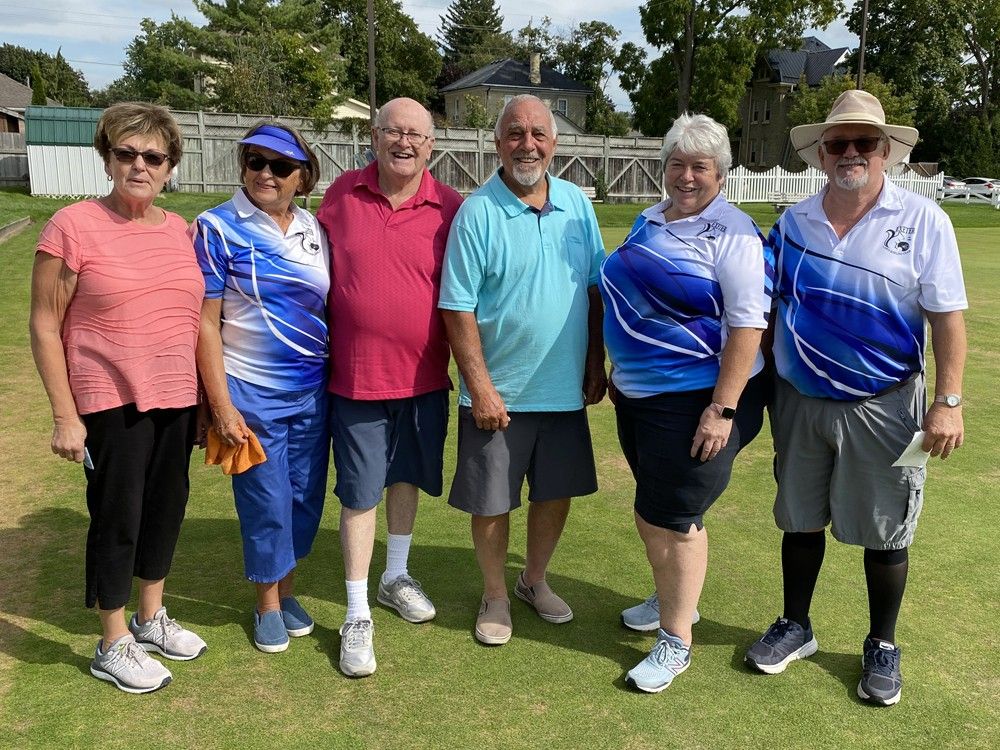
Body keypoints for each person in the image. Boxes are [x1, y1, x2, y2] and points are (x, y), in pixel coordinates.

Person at [743, 90, 967, 707]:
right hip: (800, 400)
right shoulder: (793, 222)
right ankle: (796, 625)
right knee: (799, 515)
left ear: (886, 152)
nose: (849, 153)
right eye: (837, 143)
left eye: (862, 142)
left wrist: (947, 402)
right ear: (820, 154)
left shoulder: (925, 221)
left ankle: (882, 643)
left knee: (886, 530)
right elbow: (763, 307)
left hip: (889, 402)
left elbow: (947, 319)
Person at [29, 102, 206, 694]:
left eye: (153, 157)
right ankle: (112, 641)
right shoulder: (72, 226)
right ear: (106, 158)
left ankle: (150, 617)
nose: (139, 165)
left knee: (165, 511)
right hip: (109, 400)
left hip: (176, 396)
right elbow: (43, 323)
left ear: (169, 166)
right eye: (126, 153)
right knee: (117, 518)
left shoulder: (180, 230)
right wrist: (64, 415)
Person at [601, 113, 773, 693]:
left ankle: (676, 641)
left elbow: (749, 324)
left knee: (675, 518)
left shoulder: (735, 232)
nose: (687, 176)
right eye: (677, 163)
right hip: (639, 397)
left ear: (721, 173)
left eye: (700, 166)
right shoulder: (647, 220)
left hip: (700, 399)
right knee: (652, 507)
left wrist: (722, 410)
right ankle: (674, 598)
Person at [439, 94, 607, 646]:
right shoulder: (478, 212)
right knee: (493, 502)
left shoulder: (578, 206)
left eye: (538, 133)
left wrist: (593, 361)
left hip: (561, 390)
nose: (527, 144)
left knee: (553, 494)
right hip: (500, 394)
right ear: (497, 142)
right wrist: (480, 388)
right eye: (515, 133)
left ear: (554, 144)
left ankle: (533, 580)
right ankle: (494, 594)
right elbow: (457, 307)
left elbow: (594, 287)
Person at [316, 98, 462, 677]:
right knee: (359, 492)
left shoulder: (451, 206)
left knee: (407, 478)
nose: (404, 143)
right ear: (374, 137)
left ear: (432, 146)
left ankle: (394, 575)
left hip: (426, 376)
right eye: (393, 132)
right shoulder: (340, 196)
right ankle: (357, 613)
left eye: (416, 135)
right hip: (355, 377)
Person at [193, 121, 330, 655]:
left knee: (303, 499)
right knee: (264, 501)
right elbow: (205, 323)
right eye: (255, 162)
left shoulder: (314, 229)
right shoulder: (217, 227)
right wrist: (220, 406)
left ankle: (288, 591)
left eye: (280, 166)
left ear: (303, 176)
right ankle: (267, 604)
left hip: (312, 391)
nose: (265, 174)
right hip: (249, 392)